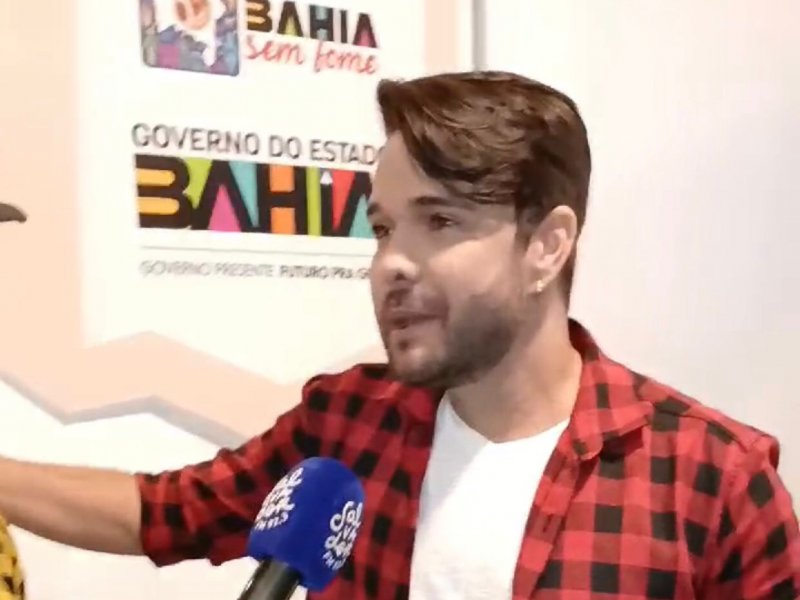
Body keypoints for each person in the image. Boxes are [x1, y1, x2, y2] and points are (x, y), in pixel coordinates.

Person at [0, 71, 798, 599]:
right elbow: (166, 513)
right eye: (383, 229)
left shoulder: (714, 482)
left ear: (548, 245)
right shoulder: (346, 425)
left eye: (439, 222)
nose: (391, 265)